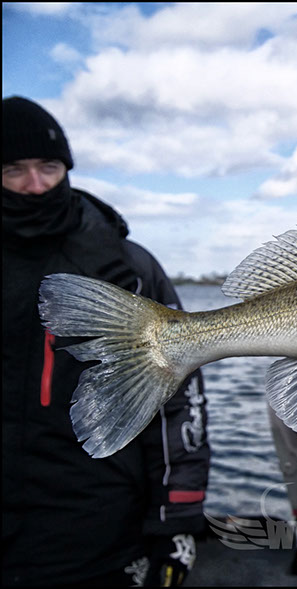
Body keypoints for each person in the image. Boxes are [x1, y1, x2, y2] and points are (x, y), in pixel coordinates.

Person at [2, 96, 211, 587]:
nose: (35, 185)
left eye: (48, 167)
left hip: (100, 530)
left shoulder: (127, 268)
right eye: (13, 170)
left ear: (67, 169)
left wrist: (177, 518)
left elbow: (178, 402)